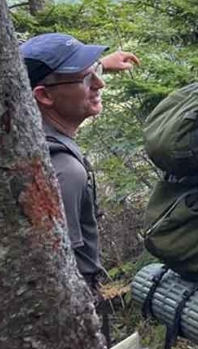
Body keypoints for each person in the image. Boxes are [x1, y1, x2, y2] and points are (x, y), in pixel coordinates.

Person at [22, 33, 139, 293]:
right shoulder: (64, 170)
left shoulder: (23, 132)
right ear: (44, 96)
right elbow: (61, 267)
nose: (100, 84)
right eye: (87, 78)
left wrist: (102, 65)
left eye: (96, 70)